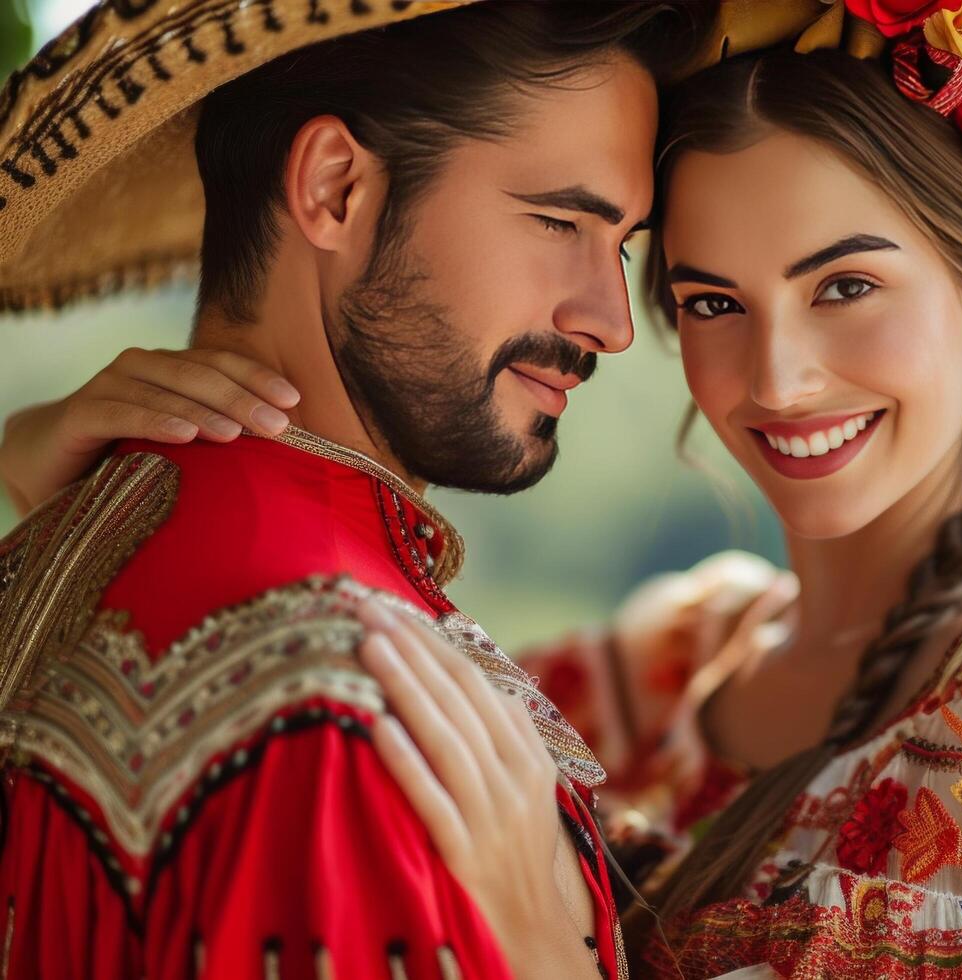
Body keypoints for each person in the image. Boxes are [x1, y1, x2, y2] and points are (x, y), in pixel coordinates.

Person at [2, 2, 962, 977]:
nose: (777, 374)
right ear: (331, 191)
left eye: (846, 285)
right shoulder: (670, 656)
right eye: (707, 300)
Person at [0, 2, 710, 977]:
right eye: (558, 220)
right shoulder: (365, 703)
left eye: (620, 244)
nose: (611, 321)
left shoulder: (57, 543)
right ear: (335, 188)